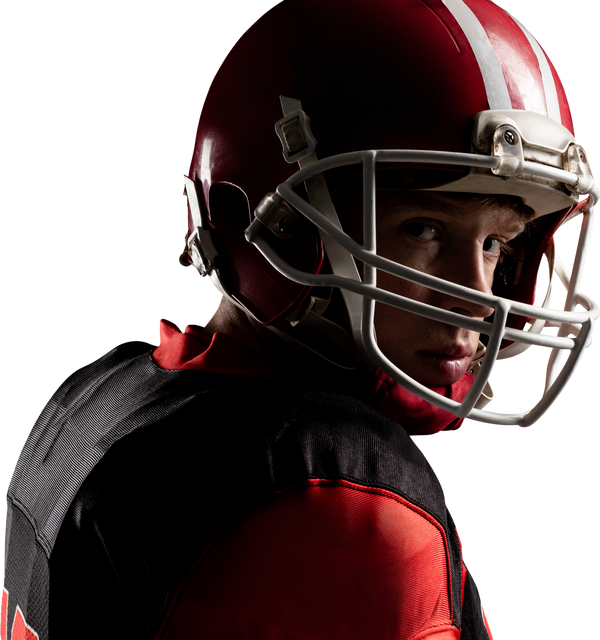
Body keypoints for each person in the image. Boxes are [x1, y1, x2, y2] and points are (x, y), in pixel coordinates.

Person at [2, 1, 598, 638]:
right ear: (284, 230)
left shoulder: (100, 396)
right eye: (424, 228)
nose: (480, 298)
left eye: (495, 244)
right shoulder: (334, 503)